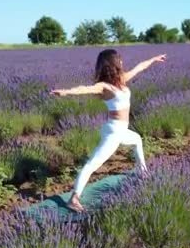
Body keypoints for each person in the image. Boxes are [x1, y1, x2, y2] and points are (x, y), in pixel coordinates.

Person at [50, 49, 167, 212]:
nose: (122, 62)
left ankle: (143, 171)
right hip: (114, 132)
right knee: (92, 164)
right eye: (119, 60)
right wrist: (65, 92)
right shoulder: (104, 86)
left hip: (119, 129)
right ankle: (74, 198)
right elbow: (85, 89)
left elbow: (140, 67)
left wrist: (154, 58)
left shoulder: (121, 80)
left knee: (137, 139)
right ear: (112, 64)